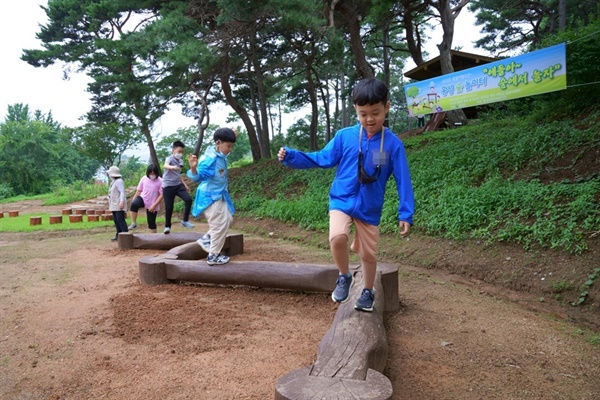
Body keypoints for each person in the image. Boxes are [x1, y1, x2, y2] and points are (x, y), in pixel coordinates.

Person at [277, 77, 414, 312]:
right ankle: (344, 276)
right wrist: (292, 156)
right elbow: (323, 158)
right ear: (355, 110)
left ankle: (368, 291)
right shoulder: (345, 137)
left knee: (368, 253)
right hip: (341, 199)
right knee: (337, 237)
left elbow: (403, 180)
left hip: (369, 207)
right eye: (363, 114)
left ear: (387, 107)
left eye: (376, 113)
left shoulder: (393, 145)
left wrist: (405, 213)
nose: (369, 119)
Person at [187, 128, 237, 265]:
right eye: (228, 146)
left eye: (231, 146)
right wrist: (193, 168)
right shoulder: (210, 159)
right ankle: (213, 256)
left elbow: (224, 149)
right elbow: (198, 177)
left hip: (219, 195)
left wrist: (232, 134)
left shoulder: (219, 154)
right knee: (219, 225)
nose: (230, 149)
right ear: (218, 143)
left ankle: (207, 239)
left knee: (228, 220)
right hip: (210, 197)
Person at [162, 140, 194, 234]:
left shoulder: (181, 161)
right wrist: (172, 167)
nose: (180, 154)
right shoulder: (170, 159)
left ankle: (185, 221)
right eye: (179, 151)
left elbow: (178, 174)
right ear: (173, 150)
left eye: (182, 152)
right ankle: (167, 226)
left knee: (188, 199)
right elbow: (165, 165)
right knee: (169, 207)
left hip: (178, 185)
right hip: (168, 186)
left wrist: (185, 185)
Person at [128, 164, 164, 233]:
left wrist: (154, 205)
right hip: (143, 198)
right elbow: (139, 190)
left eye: (153, 174)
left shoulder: (160, 181)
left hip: (153, 203)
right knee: (134, 205)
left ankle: (153, 238)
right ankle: (133, 223)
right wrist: (134, 199)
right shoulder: (144, 178)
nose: (152, 175)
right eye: (150, 173)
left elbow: (161, 195)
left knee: (151, 223)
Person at [107, 165, 128, 241]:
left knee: (120, 219)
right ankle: (118, 235)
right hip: (114, 204)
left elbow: (122, 192)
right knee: (116, 220)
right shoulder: (113, 182)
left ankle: (125, 235)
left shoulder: (119, 181)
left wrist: (121, 202)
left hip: (118, 203)